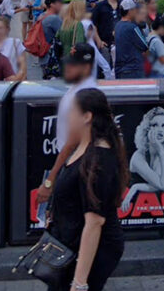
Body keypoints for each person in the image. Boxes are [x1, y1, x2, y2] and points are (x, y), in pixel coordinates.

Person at [48, 88, 128, 291]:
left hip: (93, 250)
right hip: (70, 246)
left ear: (86, 116)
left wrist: (80, 282)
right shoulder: (83, 146)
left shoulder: (99, 158)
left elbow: (95, 222)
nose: (66, 115)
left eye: (71, 110)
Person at [35, 44, 102, 214]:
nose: (68, 67)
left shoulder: (86, 94)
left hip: (78, 163)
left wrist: (50, 180)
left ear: (86, 67)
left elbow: (73, 141)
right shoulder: (78, 89)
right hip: (75, 162)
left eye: (73, 64)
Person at [146, 14, 164, 78]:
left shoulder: (150, 36)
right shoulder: (157, 41)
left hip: (153, 72)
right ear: (162, 27)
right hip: (159, 74)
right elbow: (163, 60)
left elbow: (156, 51)